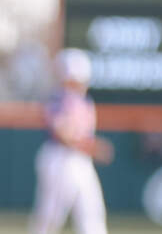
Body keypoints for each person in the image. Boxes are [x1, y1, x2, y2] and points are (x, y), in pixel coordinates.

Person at [28, 49, 110, 234]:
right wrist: (91, 148)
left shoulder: (82, 99)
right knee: (50, 218)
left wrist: (89, 148)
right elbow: (62, 134)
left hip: (80, 161)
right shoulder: (59, 98)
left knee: (92, 214)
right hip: (61, 159)